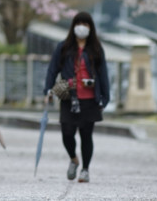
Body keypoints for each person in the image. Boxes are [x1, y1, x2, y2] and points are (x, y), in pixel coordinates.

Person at [43, 10, 110, 183]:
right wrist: (48, 90)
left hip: (89, 99)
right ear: (73, 26)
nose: (82, 27)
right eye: (79, 23)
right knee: (67, 133)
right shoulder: (63, 47)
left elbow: (103, 74)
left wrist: (105, 96)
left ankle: (85, 169)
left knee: (86, 135)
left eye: (85, 24)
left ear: (90, 28)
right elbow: (53, 69)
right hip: (69, 97)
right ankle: (73, 158)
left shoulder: (96, 49)